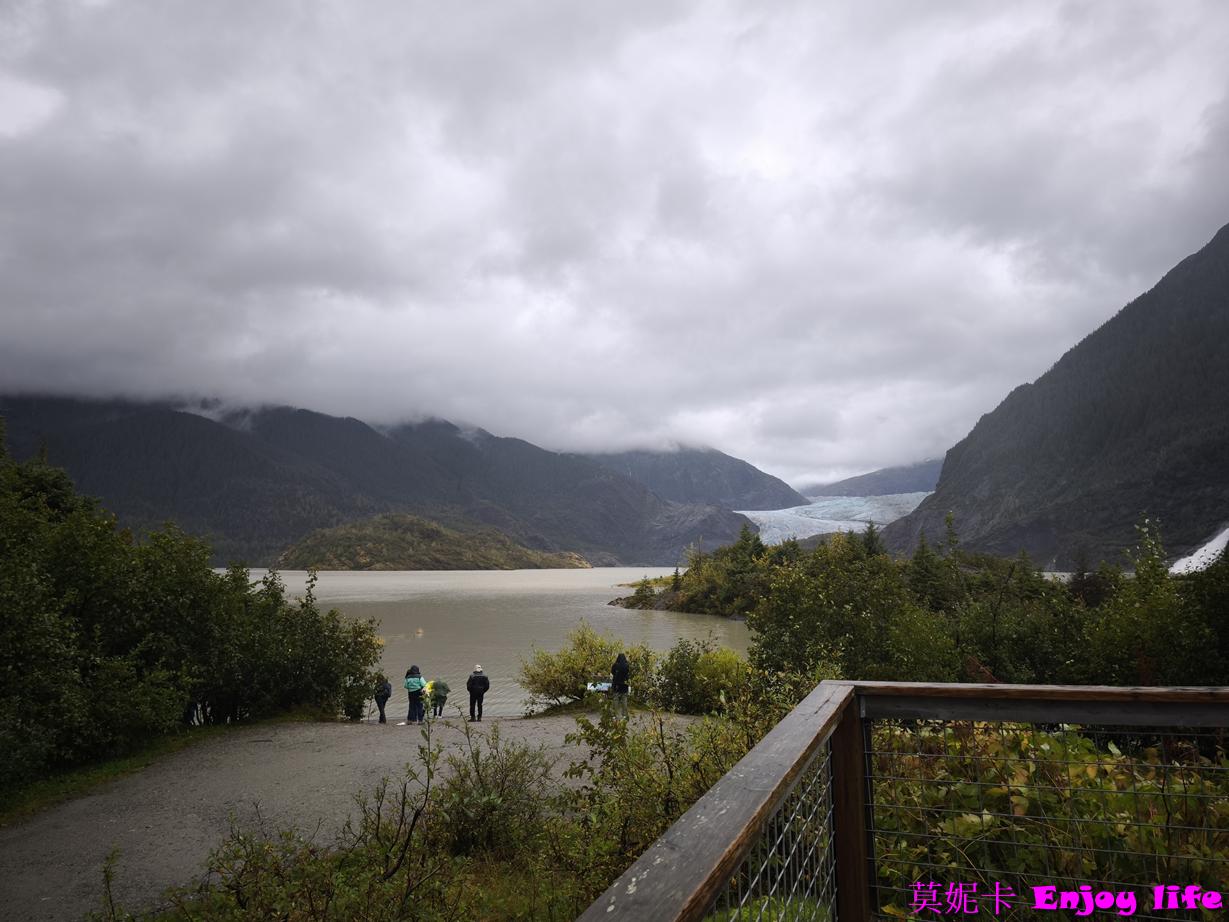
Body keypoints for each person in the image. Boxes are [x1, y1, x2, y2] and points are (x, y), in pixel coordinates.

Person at [611, 652, 630, 720]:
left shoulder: (615, 665)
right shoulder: (627, 665)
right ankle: (625, 715)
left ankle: (616, 715)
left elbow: (612, 672)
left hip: (616, 685)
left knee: (616, 700)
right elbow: (628, 673)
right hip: (624, 685)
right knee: (624, 700)